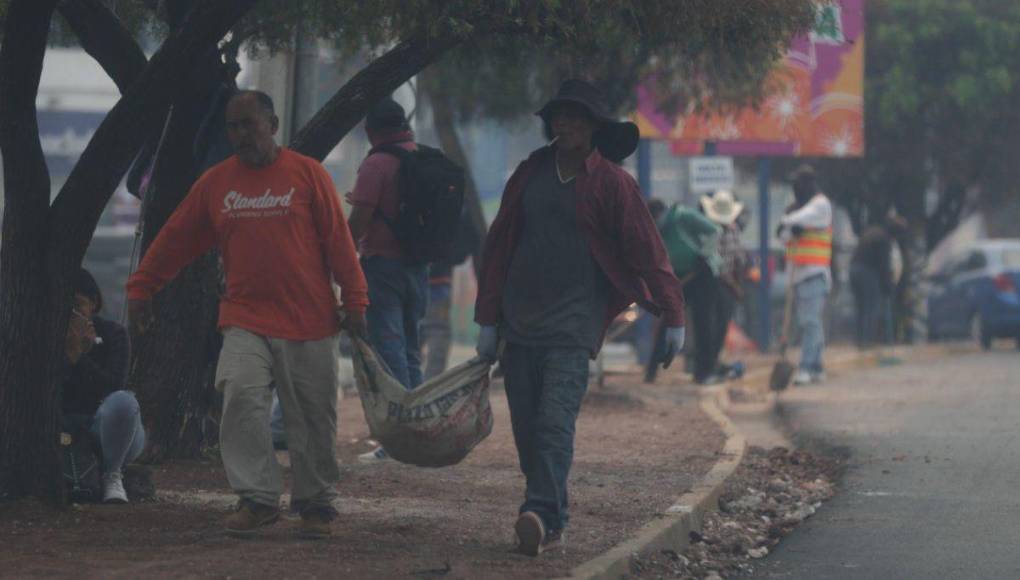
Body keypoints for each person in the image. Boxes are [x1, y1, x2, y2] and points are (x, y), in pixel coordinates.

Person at [126, 90, 368, 539]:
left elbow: (340, 244)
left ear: (272, 125)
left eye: (248, 125)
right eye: (232, 127)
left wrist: (355, 301)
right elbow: (175, 238)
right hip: (244, 318)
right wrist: (142, 287)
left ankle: (316, 505)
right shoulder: (216, 184)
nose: (240, 135)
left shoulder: (309, 176)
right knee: (239, 396)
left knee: (313, 417)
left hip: (310, 321)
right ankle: (257, 499)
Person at [474, 79, 685, 557]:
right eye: (559, 116)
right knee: (527, 429)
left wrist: (674, 315)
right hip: (519, 320)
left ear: (594, 128)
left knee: (554, 422)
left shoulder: (613, 183)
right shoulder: (530, 173)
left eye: (576, 117)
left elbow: (649, 251)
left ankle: (540, 514)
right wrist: (487, 319)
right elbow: (499, 244)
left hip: (574, 324)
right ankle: (553, 514)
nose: (565, 124)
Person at [346, 97, 429, 463]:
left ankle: (400, 442)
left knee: (390, 353)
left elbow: (359, 221)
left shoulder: (376, 164)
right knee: (411, 352)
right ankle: (419, 430)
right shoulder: (425, 158)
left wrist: (340, 255)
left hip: (383, 268)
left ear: (370, 132)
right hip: (419, 268)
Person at [61, 268, 142, 504]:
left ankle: (112, 473)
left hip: (106, 427)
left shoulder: (114, 334)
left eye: (78, 305)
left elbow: (112, 387)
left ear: (93, 304)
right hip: (65, 428)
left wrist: (81, 356)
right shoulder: (48, 337)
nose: (72, 314)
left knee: (124, 402)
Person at [653, 199, 722, 384]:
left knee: (703, 324)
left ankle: (705, 372)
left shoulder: (683, 216)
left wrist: (703, 255)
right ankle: (651, 371)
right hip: (680, 277)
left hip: (703, 273)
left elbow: (715, 231)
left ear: (660, 213)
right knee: (667, 318)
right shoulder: (659, 229)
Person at [777, 164, 833, 385]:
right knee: (810, 323)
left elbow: (800, 219)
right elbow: (783, 236)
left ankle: (807, 366)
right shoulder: (796, 208)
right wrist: (788, 229)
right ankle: (817, 366)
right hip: (798, 276)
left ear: (808, 184)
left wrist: (788, 221)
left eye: (798, 183)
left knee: (810, 322)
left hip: (814, 274)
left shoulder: (820, 204)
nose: (795, 187)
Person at [701, 190, 751, 380]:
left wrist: (737, 283)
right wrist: (735, 286)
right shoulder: (712, 231)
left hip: (728, 285)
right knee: (712, 328)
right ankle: (708, 368)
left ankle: (714, 365)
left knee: (721, 327)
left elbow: (739, 258)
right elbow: (717, 265)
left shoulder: (732, 229)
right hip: (715, 284)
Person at [850, 214, 906, 347]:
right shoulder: (884, 240)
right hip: (867, 273)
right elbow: (883, 265)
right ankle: (867, 342)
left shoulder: (873, 232)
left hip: (854, 270)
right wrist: (887, 285)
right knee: (871, 307)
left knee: (861, 307)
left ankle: (860, 340)